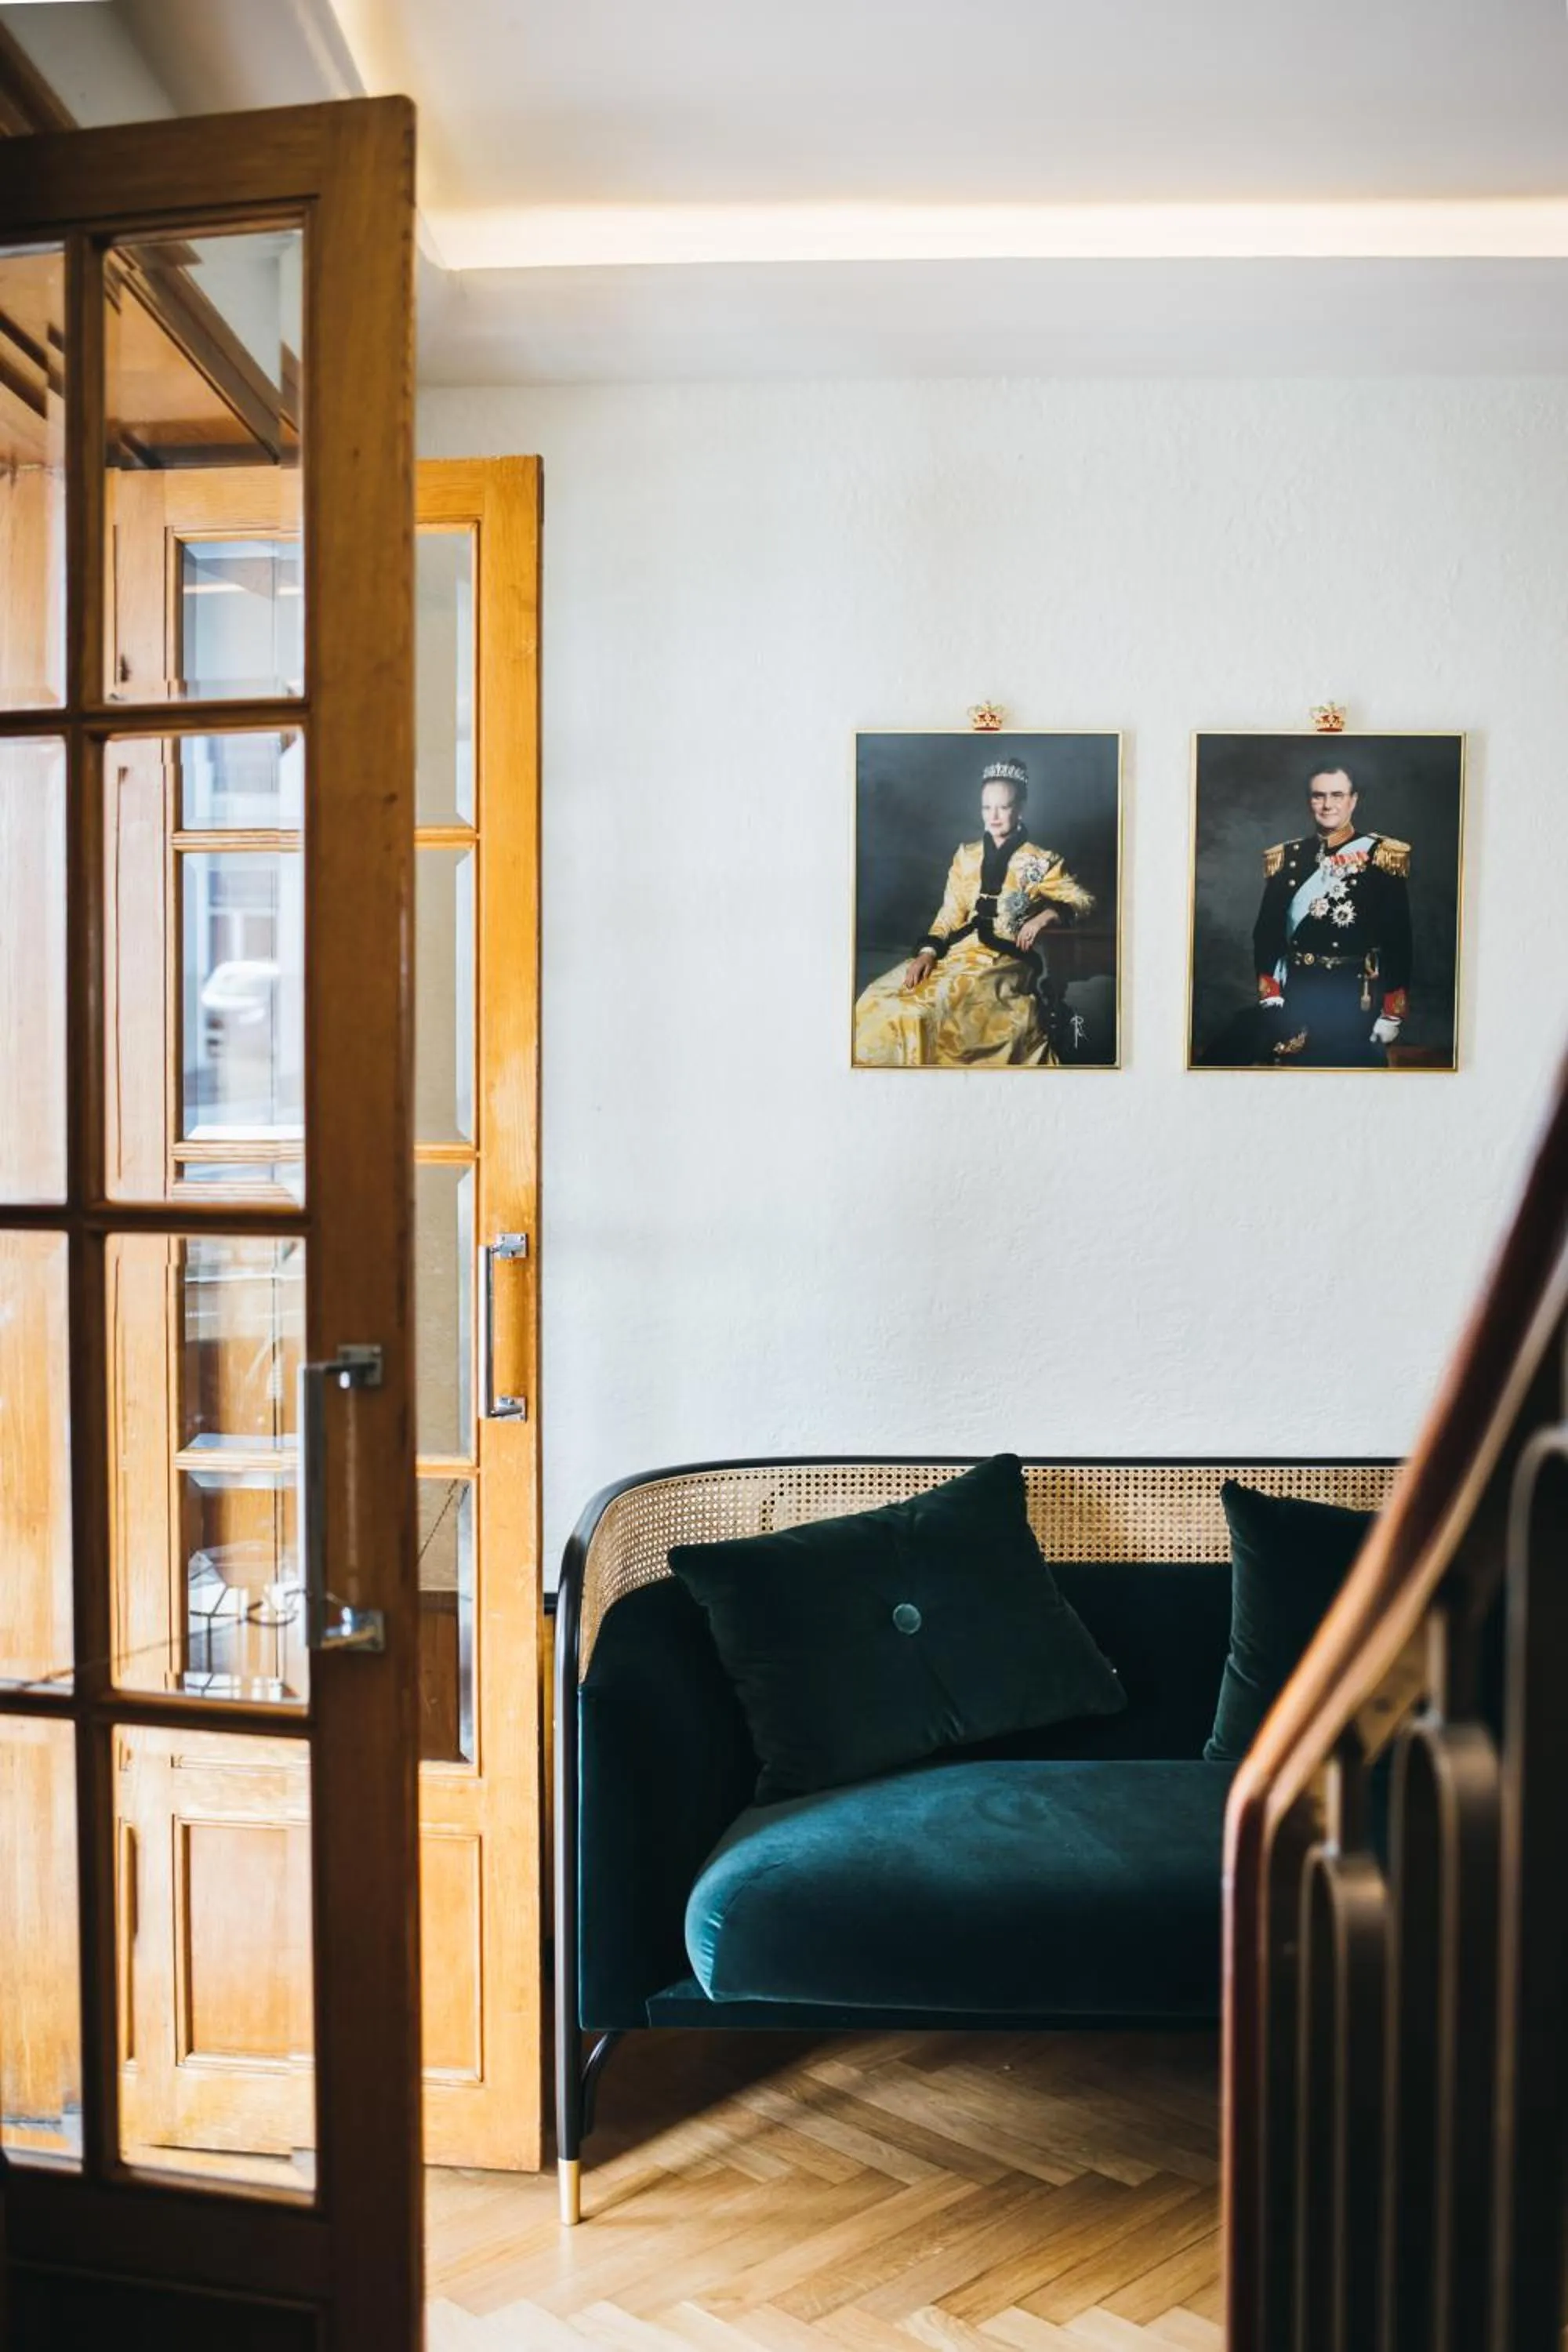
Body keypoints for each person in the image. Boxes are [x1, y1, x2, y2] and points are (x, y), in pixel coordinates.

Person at [854, 757, 1094, 1066]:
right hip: (956, 953)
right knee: (875, 998)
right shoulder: (966, 856)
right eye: (986, 808)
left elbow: (1084, 901)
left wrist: (1047, 915)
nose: (993, 817)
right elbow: (950, 914)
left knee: (921, 1014)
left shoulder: (1043, 860)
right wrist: (927, 952)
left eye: (1003, 807)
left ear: (1020, 807)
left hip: (1003, 961)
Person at [1247, 764, 1411, 1067]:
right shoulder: (1288, 857)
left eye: (1337, 795)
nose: (1327, 805)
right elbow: (1266, 933)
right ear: (1309, 801)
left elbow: (1398, 939)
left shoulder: (1380, 857)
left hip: (1354, 996)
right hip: (1297, 992)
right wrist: (1271, 993)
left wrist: (1392, 1012)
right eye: (1318, 796)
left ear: (1353, 800)